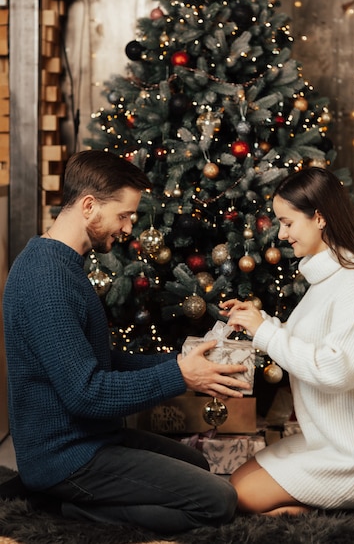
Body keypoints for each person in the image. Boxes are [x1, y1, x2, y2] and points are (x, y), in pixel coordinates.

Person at [2, 149, 250, 534]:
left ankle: (80, 498)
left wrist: (181, 360)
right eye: (124, 215)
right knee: (218, 502)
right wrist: (181, 377)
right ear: (89, 207)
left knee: (198, 467)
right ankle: (68, 508)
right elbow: (87, 392)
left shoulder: (63, 266)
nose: (129, 228)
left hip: (93, 439)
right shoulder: (46, 279)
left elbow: (100, 362)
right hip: (66, 458)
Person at [220, 166, 354, 516]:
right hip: (331, 442)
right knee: (236, 482)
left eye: (288, 222)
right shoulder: (328, 280)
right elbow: (309, 343)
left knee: (241, 498)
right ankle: (344, 504)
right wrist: (259, 321)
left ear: (320, 218)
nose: (281, 234)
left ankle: (343, 510)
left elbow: (337, 368)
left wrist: (265, 333)